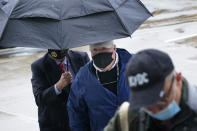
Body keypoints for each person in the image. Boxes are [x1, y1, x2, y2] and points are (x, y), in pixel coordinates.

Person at [104, 49, 197, 131]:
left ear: (178, 80)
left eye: (161, 101)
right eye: (146, 104)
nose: (155, 111)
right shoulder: (128, 117)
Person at [67, 41, 133, 131]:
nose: (100, 53)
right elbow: (77, 116)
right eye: (95, 50)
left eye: (104, 48)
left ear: (114, 48)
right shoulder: (82, 78)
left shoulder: (136, 64)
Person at [31, 49, 90, 131]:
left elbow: (92, 85)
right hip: (56, 124)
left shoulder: (81, 57)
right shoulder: (38, 66)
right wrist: (58, 86)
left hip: (81, 120)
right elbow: (39, 99)